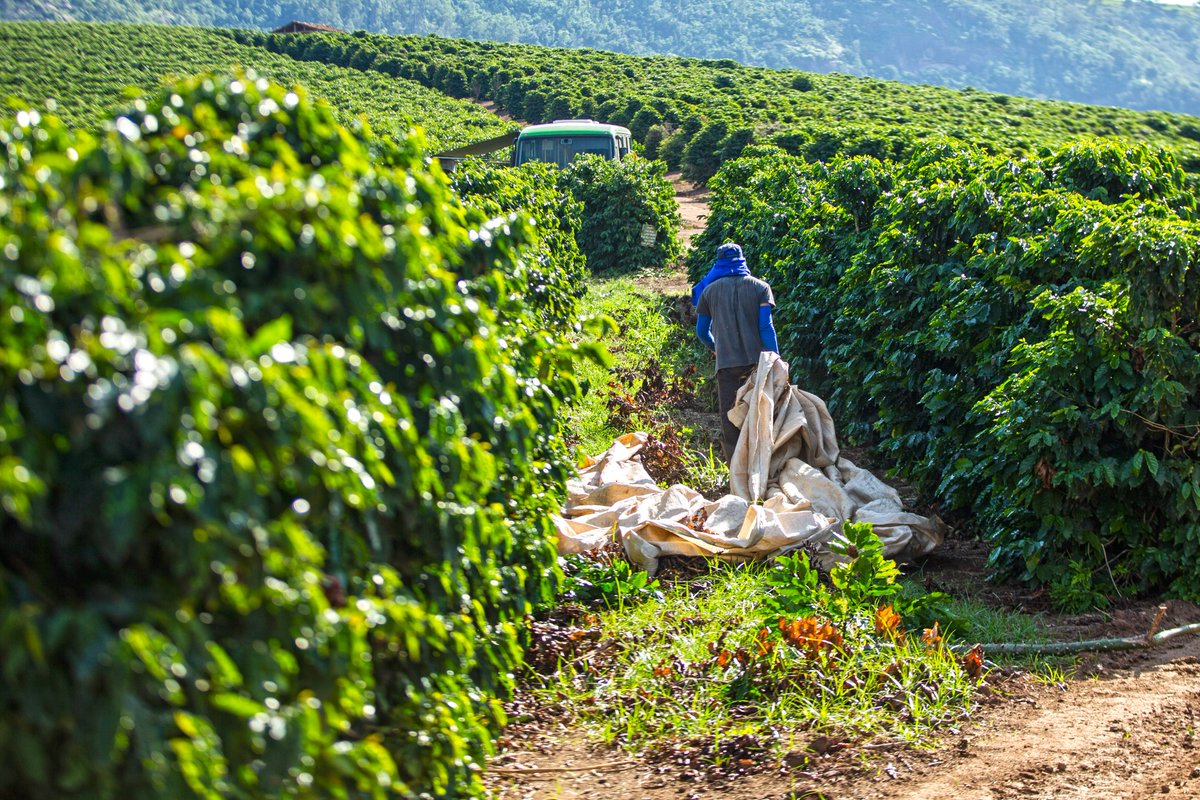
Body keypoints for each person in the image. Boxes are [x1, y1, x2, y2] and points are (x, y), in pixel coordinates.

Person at [692, 242, 779, 459]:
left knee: (730, 417)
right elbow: (766, 328)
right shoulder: (760, 287)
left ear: (719, 262)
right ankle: (760, 463)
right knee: (758, 414)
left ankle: (735, 468)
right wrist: (776, 358)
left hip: (727, 364)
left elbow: (702, 331)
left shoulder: (709, 292)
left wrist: (716, 348)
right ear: (742, 260)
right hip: (756, 364)